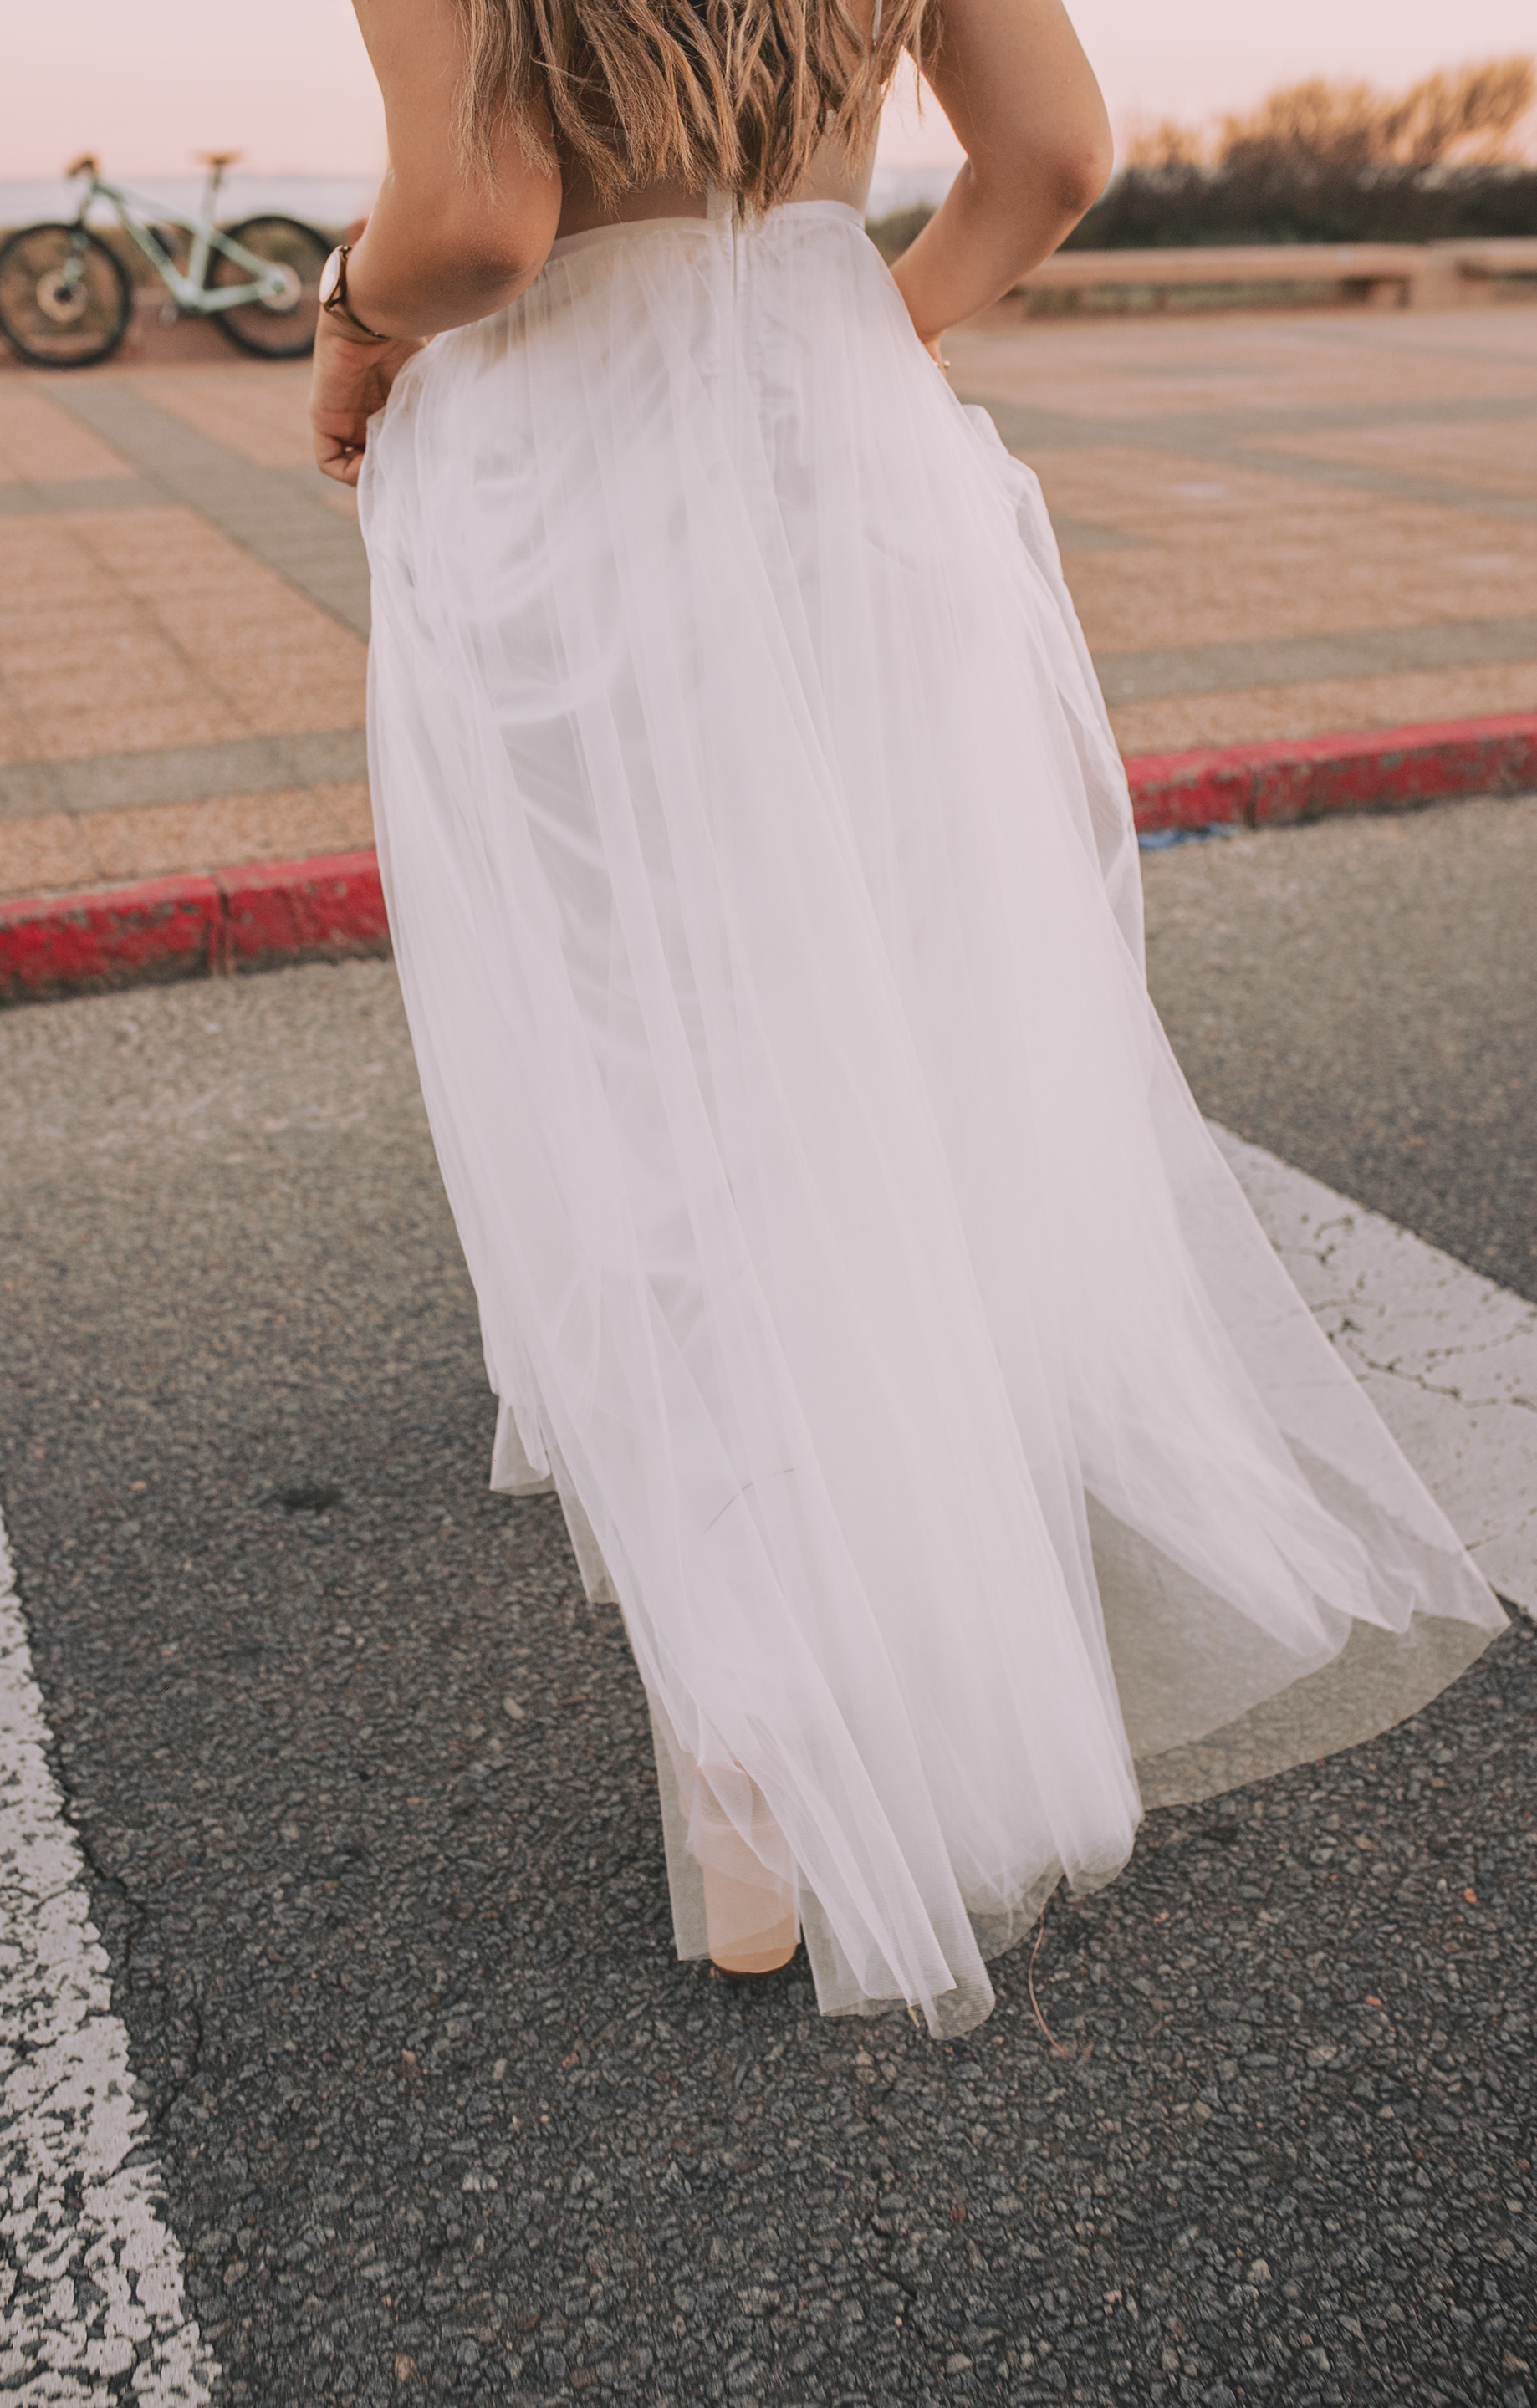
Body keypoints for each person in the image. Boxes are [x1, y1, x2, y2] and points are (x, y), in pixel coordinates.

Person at [311, 0, 1507, 2035]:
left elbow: (481, 227)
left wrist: (342, 328)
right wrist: (874, 330)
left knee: (661, 1096)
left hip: (580, 481)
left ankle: (767, 1772)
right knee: (876, 1068)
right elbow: (1052, 154)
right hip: (852, 461)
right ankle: (944, 1662)